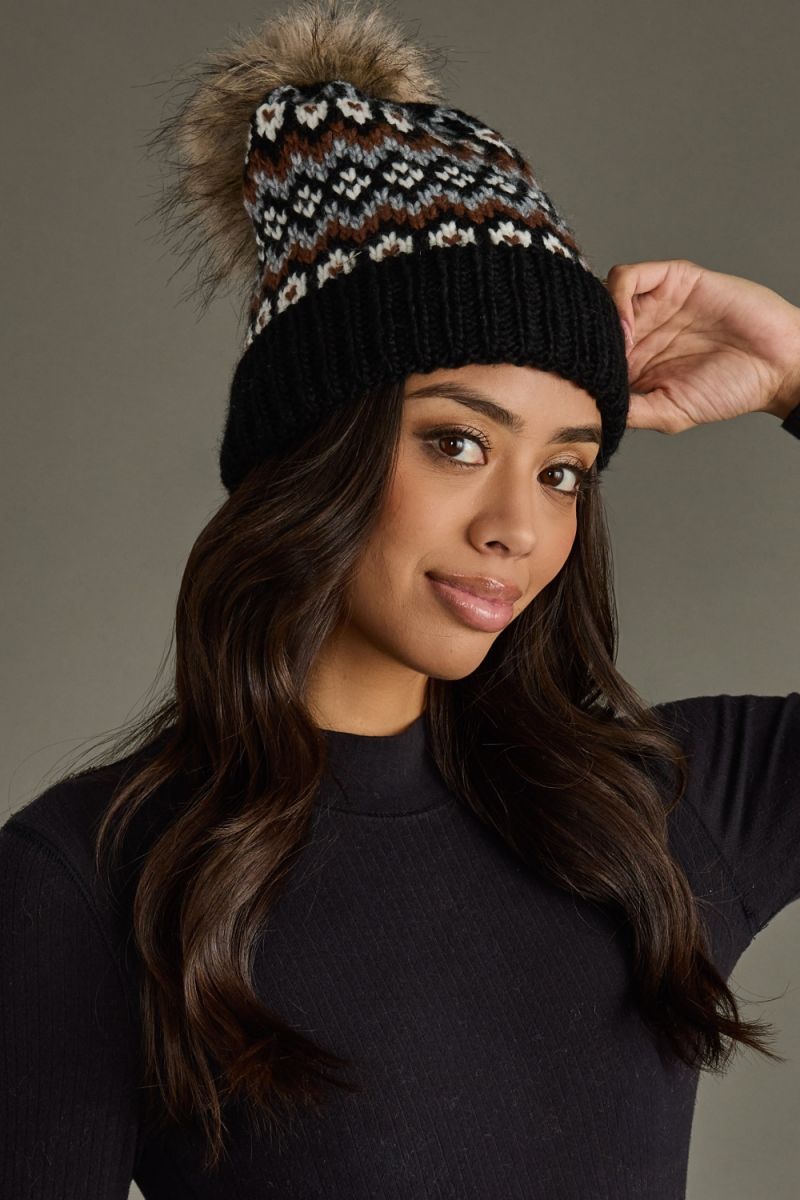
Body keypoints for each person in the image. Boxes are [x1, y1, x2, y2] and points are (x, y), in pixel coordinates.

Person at [2, 1, 799, 1197]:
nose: (516, 525)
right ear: (316, 450)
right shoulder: (94, 877)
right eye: (456, 443)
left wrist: (796, 369)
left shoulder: (659, 817)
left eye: (564, 470)